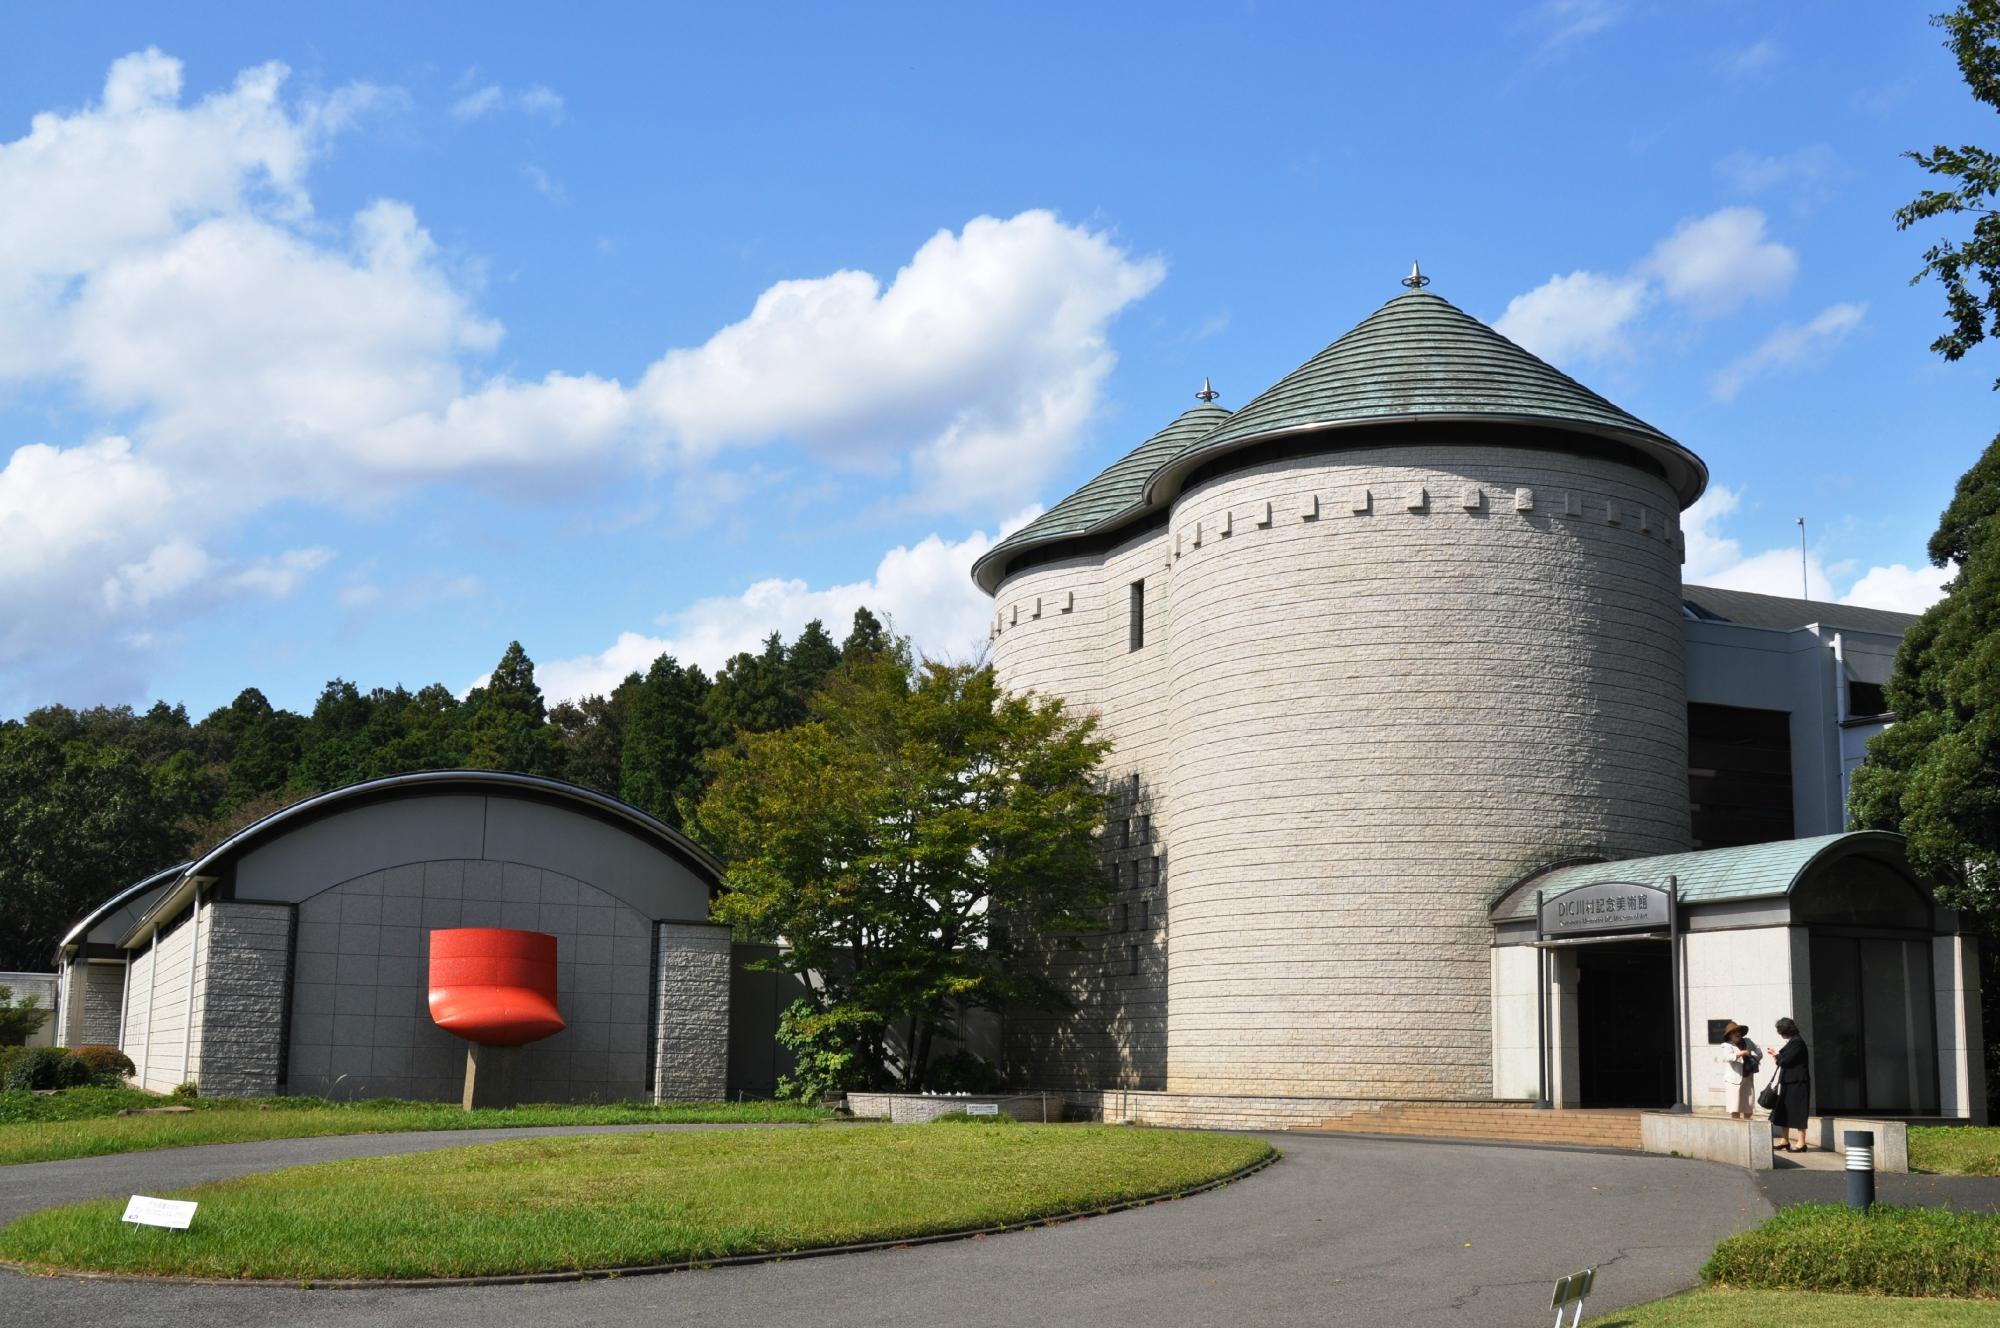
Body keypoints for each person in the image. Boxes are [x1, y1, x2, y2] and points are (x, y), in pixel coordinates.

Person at [1766, 1017, 1811, 1152]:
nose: (1779, 1033)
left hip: (1798, 1083)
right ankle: (1784, 1140)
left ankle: (1801, 1143)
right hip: (1789, 1082)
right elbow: (1785, 1060)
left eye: (1780, 1031)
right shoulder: (1793, 1041)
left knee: (1799, 1111)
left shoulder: (1797, 1042)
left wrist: (1775, 1055)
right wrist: (1777, 1057)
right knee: (1783, 1110)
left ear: (1785, 1030)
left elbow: (1786, 1061)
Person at [1722, 1022, 1760, 1119]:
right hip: (1733, 1080)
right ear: (1729, 1035)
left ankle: (1747, 1127)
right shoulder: (1727, 1045)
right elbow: (1727, 1057)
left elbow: (1758, 1051)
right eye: (1733, 1032)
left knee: (1748, 1106)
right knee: (1735, 1107)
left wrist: (1753, 1057)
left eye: (1738, 1031)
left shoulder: (1748, 1041)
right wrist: (1741, 1053)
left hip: (1747, 1078)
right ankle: (1737, 1130)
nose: (1737, 1033)